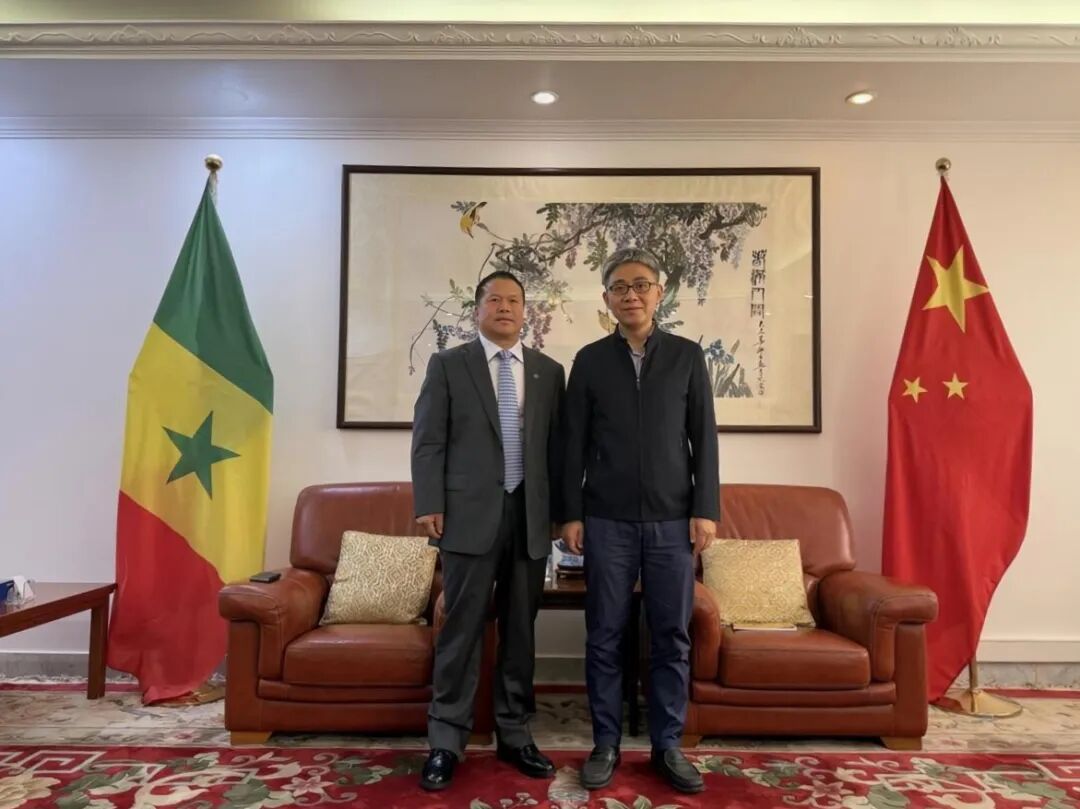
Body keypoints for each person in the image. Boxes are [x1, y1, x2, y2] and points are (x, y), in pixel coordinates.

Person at [560, 247, 720, 794]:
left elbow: (704, 437)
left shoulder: (686, 356)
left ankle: (667, 745)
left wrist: (705, 508)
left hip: (673, 521)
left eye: (641, 285)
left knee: (672, 634)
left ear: (659, 292)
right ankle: (605, 743)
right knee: (605, 633)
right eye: (620, 287)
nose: (631, 295)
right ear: (607, 298)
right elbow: (573, 444)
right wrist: (570, 514)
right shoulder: (589, 360)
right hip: (606, 519)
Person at [411, 270, 565, 791]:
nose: (504, 307)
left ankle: (515, 734)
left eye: (514, 300)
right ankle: (446, 741)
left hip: (530, 517)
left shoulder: (548, 372)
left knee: (521, 632)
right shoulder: (448, 365)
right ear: (477, 309)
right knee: (461, 630)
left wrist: (563, 513)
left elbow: (558, 450)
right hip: (466, 517)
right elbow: (428, 439)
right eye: (494, 299)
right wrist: (430, 502)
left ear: (525, 311)